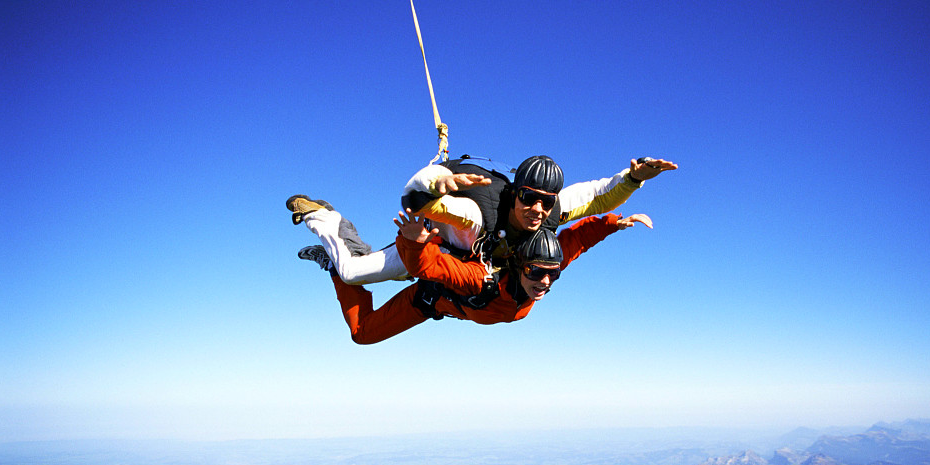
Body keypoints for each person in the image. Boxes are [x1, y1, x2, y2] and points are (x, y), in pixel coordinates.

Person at [286, 154, 675, 285]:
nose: (537, 209)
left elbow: (597, 194)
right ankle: (324, 217)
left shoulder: (552, 210)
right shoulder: (477, 214)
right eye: (529, 198)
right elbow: (416, 200)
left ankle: (332, 249)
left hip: (467, 259)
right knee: (352, 272)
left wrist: (635, 177)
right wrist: (440, 183)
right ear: (515, 193)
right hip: (438, 241)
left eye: (545, 201)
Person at [298, 208, 653, 344]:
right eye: (536, 272)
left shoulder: (543, 269)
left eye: (551, 276)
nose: (544, 281)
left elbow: (574, 241)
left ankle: (333, 265)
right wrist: (416, 242)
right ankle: (330, 223)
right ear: (517, 265)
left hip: (437, 304)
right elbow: (432, 267)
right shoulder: (479, 279)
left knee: (361, 333)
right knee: (363, 331)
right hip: (429, 296)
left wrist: (613, 223)